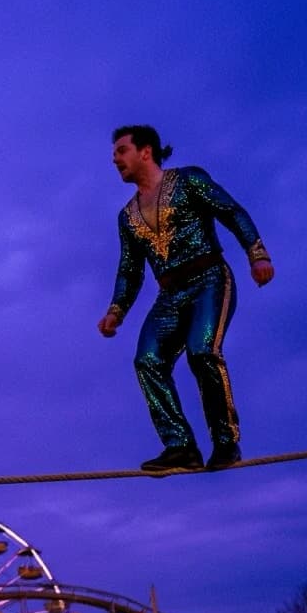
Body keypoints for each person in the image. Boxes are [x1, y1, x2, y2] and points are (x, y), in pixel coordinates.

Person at [97, 124, 275, 472]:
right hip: (169, 294)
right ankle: (180, 447)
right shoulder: (127, 217)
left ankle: (226, 443)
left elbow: (231, 211)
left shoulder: (189, 180)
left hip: (209, 278)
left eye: (121, 150)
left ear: (145, 151)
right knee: (147, 360)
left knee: (203, 352)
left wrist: (257, 254)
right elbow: (130, 270)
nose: (114, 158)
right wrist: (116, 311)